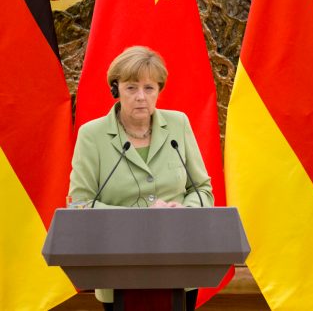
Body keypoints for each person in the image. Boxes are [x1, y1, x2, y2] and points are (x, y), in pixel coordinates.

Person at [68, 45, 213, 310]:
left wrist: (183, 211)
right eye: (131, 88)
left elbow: (202, 189)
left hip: (179, 261)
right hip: (118, 265)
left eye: (149, 88)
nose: (141, 97)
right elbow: (79, 205)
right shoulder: (92, 135)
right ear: (116, 89)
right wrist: (140, 219)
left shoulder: (178, 124)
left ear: (159, 90)